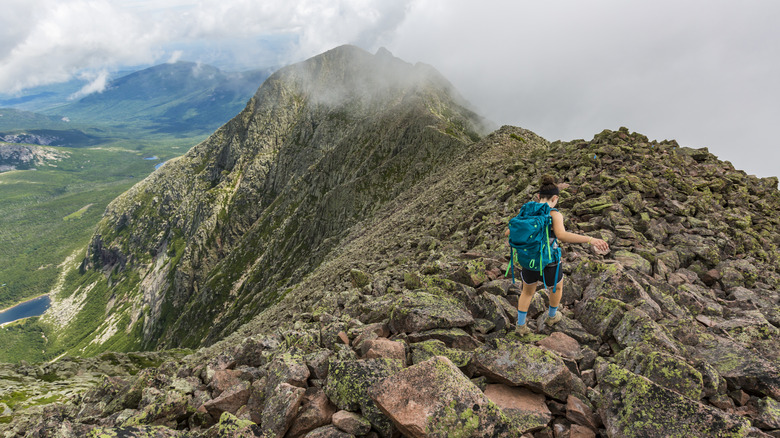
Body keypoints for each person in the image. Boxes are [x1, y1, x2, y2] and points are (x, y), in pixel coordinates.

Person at [508, 174, 610, 335]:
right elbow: (561, 235)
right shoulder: (554, 214)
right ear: (555, 197)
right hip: (550, 260)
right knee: (556, 288)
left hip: (528, 259)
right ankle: (552, 316)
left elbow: (509, 231)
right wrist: (590, 239)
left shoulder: (526, 210)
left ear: (538, 196)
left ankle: (521, 326)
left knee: (527, 291)